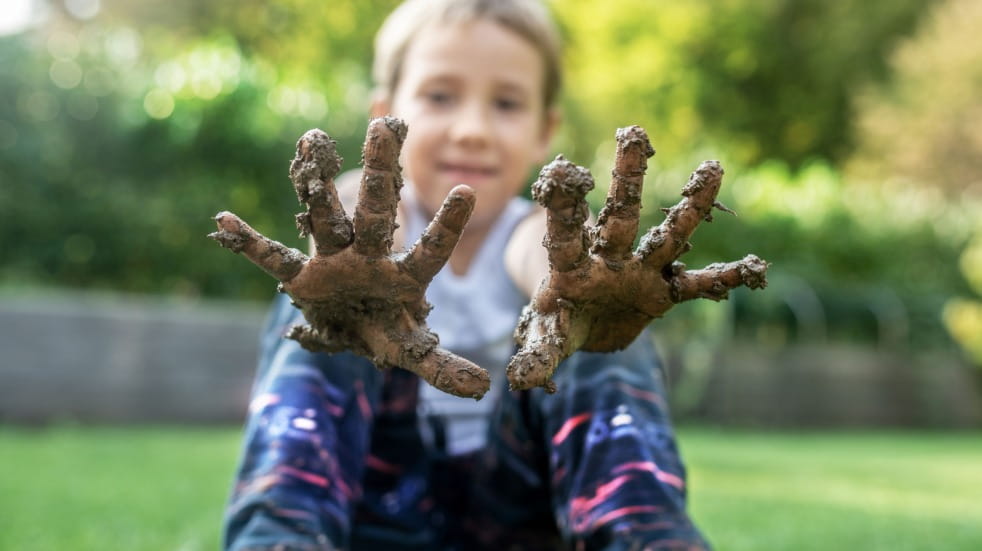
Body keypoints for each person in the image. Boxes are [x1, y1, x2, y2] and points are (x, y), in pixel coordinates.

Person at [223, 0, 710, 549]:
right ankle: (281, 534)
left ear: (543, 130)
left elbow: (540, 250)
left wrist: (563, 280)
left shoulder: (537, 231)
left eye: (506, 103)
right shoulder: (379, 216)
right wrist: (362, 267)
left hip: (518, 511)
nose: (473, 128)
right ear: (384, 114)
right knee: (329, 306)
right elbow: (361, 202)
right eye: (439, 96)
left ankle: (643, 531)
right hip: (381, 501)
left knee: (590, 314)